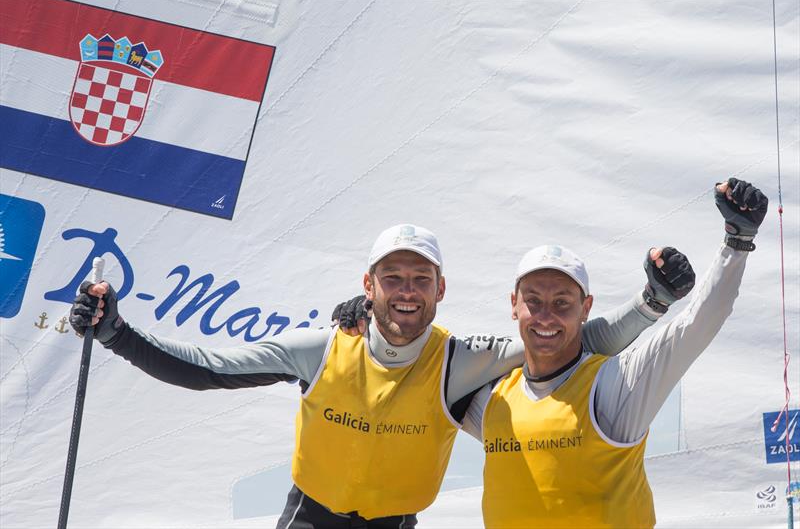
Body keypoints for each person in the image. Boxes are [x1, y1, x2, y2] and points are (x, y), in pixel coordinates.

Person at [69, 223, 691, 528]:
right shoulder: (323, 347)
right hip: (310, 519)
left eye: (421, 280)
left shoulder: (462, 358)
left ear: (441, 289)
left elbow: (576, 339)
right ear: (367, 286)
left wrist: (652, 306)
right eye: (392, 278)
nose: (406, 293)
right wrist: (117, 333)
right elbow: (207, 371)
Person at [457, 178, 767, 528]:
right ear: (514, 305)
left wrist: (737, 241)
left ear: (586, 307)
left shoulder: (614, 384)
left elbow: (696, 326)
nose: (546, 316)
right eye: (533, 301)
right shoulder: (491, 400)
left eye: (562, 302)